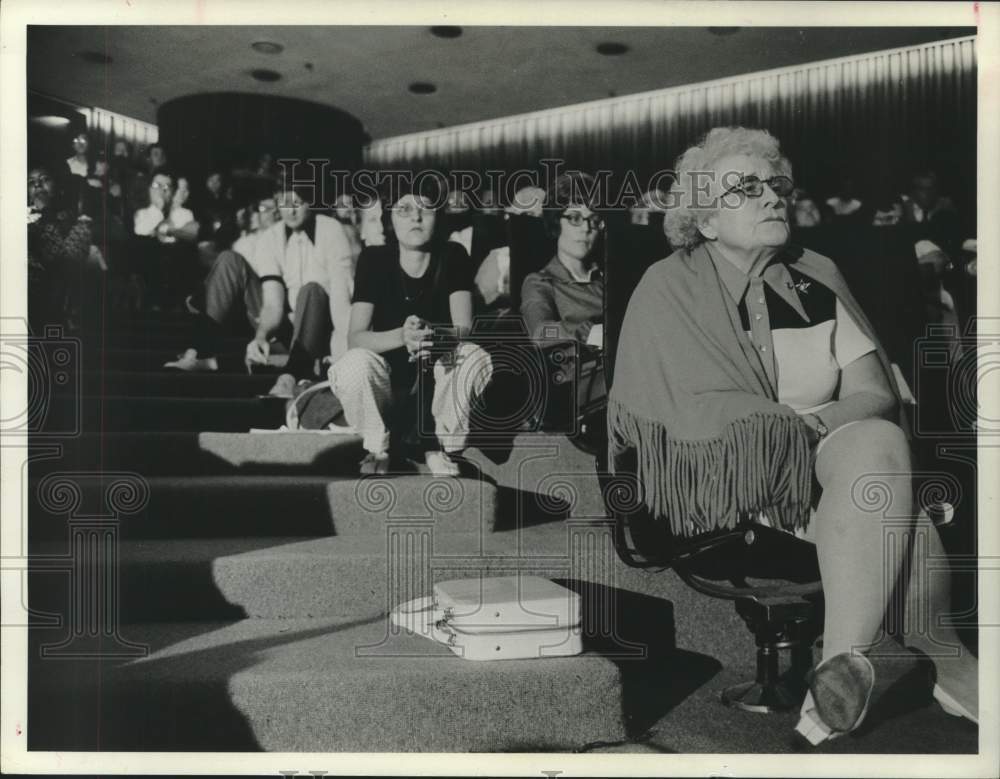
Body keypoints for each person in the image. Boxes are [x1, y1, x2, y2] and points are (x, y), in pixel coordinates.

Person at [609, 126, 977, 745]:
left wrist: (808, 427)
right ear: (703, 220)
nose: (772, 196)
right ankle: (957, 671)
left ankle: (842, 662)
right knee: (904, 520)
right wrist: (780, 437)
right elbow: (678, 414)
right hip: (729, 476)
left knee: (877, 440)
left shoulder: (816, 274)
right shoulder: (665, 287)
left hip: (831, 458)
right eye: (746, 188)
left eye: (776, 184)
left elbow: (874, 392)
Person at [328, 181, 493, 477]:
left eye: (425, 209)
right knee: (353, 363)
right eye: (404, 209)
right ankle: (377, 446)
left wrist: (433, 334)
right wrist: (402, 336)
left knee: (472, 356)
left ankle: (442, 446)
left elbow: (464, 329)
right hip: (386, 385)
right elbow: (356, 338)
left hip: (437, 381)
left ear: (438, 216)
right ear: (389, 218)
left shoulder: (453, 254)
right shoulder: (374, 259)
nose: (415, 217)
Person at [165, 184, 355, 397]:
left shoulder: (331, 230)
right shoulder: (271, 237)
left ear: (311, 203)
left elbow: (341, 298)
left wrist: (345, 348)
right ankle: (197, 351)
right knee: (229, 260)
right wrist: (262, 335)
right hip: (286, 328)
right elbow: (273, 301)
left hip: (320, 327)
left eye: (298, 204)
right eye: (285, 203)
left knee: (311, 290)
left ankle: (290, 377)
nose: (290, 211)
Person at [520, 172, 605, 348]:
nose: (586, 228)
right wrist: (588, 333)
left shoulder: (606, 278)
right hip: (582, 371)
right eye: (575, 218)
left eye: (594, 220)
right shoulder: (540, 282)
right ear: (556, 222)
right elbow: (541, 332)